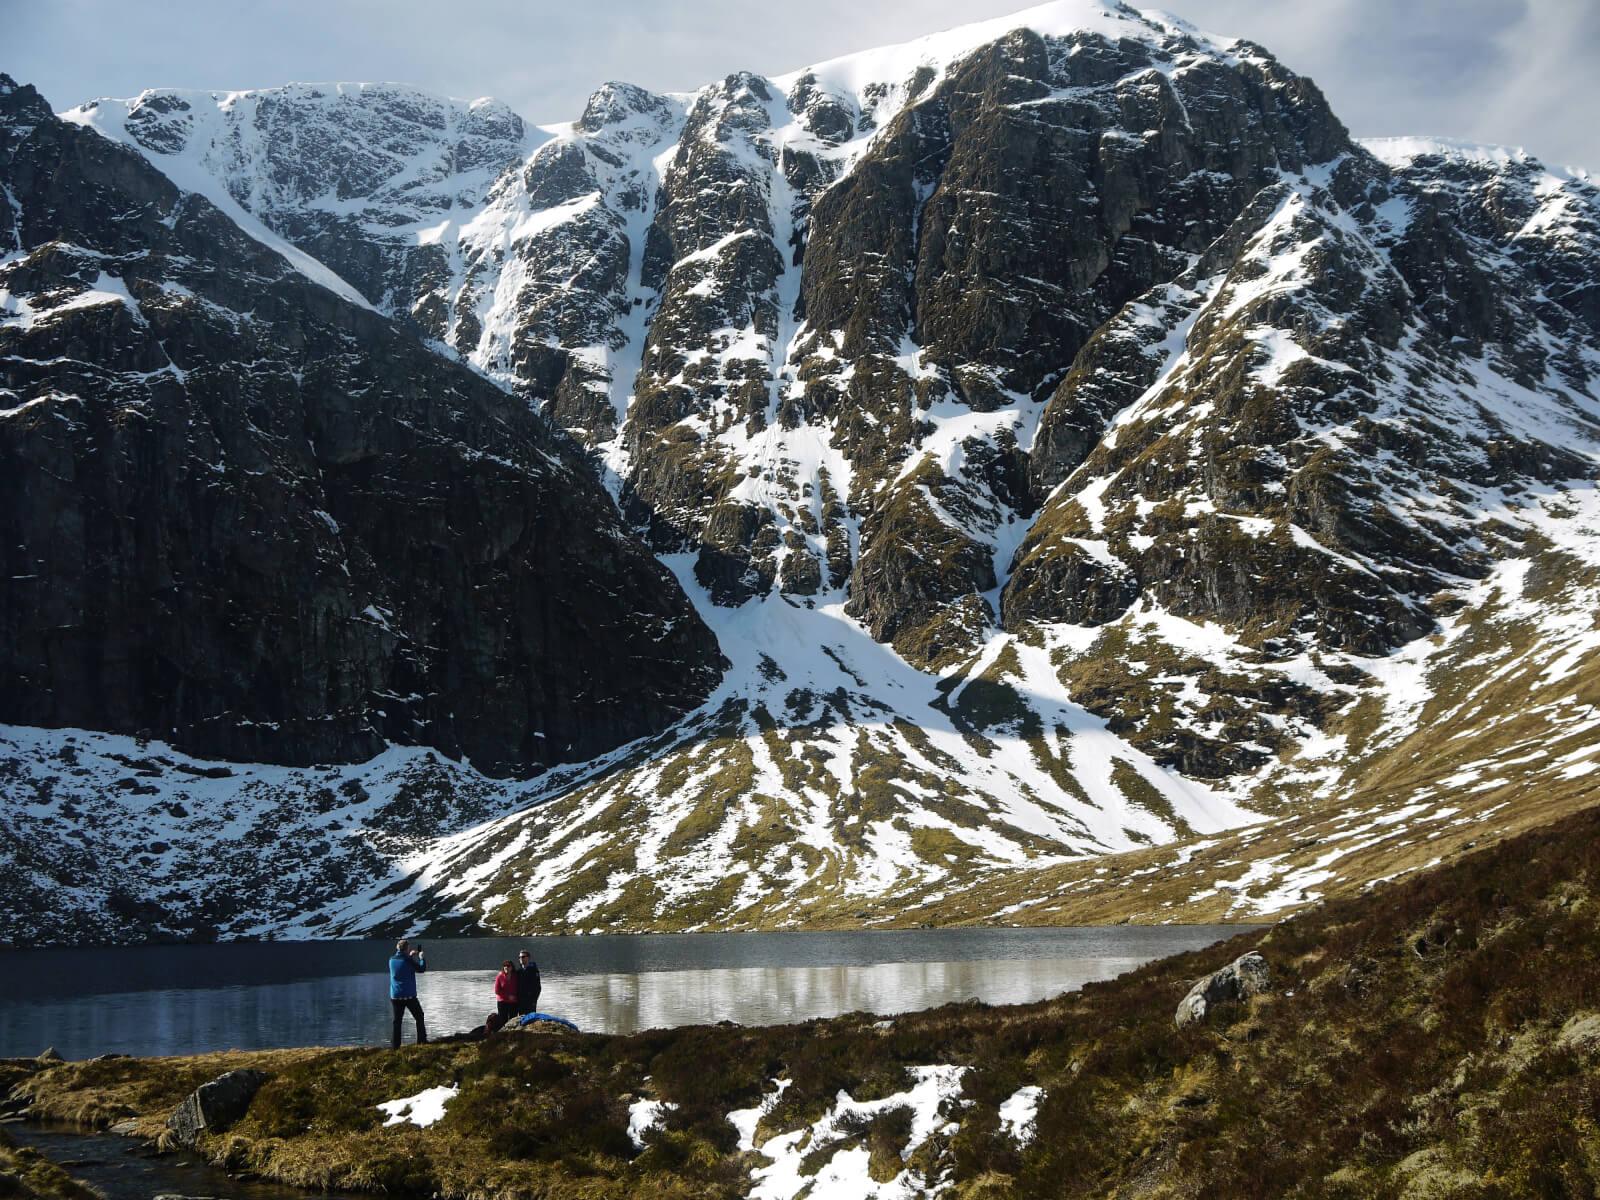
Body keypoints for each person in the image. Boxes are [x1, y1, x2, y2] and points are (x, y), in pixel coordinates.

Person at [389, 939, 428, 1049]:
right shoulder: (408, 961)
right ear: (407, 948)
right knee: (419, 1016)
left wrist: (409, 956)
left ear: (397, 948)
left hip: (395, 996)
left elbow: (403, 966)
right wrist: (421, 958)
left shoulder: (391, 960)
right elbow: (421, 969)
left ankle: (395, 1046)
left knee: (397, 1022)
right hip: (409, 996)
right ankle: (422, 1042)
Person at [514, 949, 541, 1016]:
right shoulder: (518, 971)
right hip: (520, 1000)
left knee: (531, 1019)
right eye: (519, 957)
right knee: (522, 1019)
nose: (521, 958)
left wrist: (534, 1000)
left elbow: (538, 987)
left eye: (523, 957)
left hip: (531, 1001)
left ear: (528, 958)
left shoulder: (534, 970)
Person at [494, 959, 519, 1024]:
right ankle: (502, 1033)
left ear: (512, 967)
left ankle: (512, 1034)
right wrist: (508, 997)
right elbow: (497, 991)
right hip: (502, 1002)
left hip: (514, 1002)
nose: (506, 967)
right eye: (504, 965)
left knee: (513, 1021)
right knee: (502, 1021)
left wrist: (516, 997)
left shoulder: (516, 976)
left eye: (508, 966)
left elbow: (519, 988)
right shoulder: (499, 976)